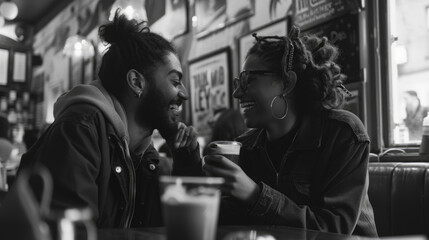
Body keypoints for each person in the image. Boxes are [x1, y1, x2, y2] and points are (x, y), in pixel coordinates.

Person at [17, 11, 201, 228]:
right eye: (175, 81)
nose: (185, 93)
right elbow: (73, 231)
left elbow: (167, 230)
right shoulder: (79, 130)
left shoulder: (144, 156)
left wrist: (186, 163)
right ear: (136, 82)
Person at [203, 26, 378, 237]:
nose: (237, 93)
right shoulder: (245, 147)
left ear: (287, 83)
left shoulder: (342, 134)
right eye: (239, 82)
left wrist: (254, 194)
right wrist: (195, 170)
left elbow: (334, 230)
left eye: (249, 79)